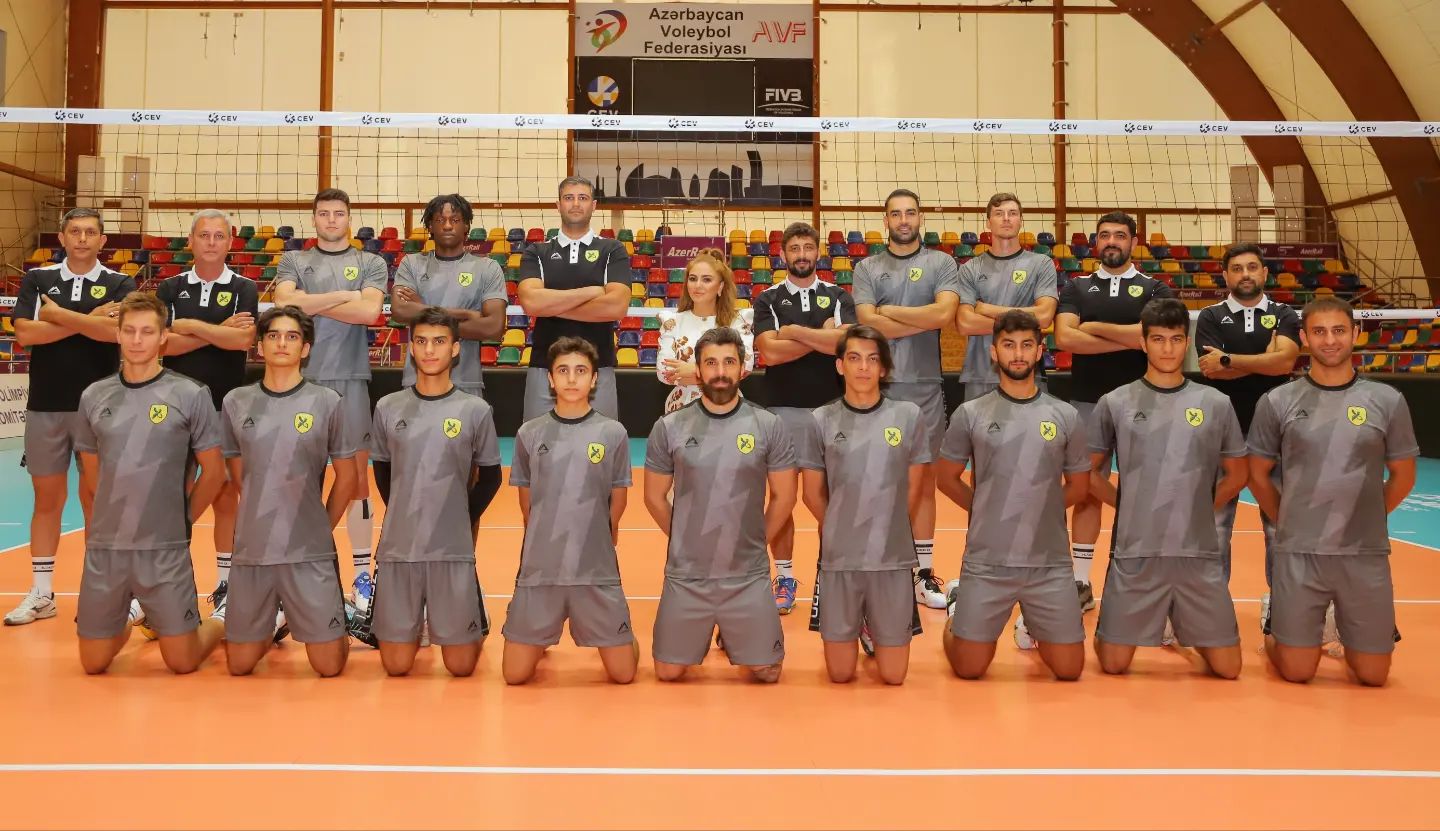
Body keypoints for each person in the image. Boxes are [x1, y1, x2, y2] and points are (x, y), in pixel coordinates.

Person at [1249, 296, 1417, 687]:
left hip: (1364, 553)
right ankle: (1273, 621)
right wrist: (1289, 520)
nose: (1329, 340)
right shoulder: (1277, 401)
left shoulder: (1387, 400)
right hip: (1299, 551)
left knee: (1373, 675)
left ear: (1356, 333)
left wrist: (1367, 516)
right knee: (1297, 671)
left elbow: (1403, 476)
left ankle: (1340, 627)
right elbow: (1256, 475)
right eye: (1319, 332)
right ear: (1304, 338)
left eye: (1339, 330)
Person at [1087, 298, 1248, 678]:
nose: (1167, 349)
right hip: (1136, 551)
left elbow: (1238, 474)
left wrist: (1200, 506)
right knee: (1113, 664)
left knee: (1229, 670)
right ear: (1143, 343)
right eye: (1158, 339)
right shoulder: (1116, 402)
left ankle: (1183, 625)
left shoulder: (1215, 402)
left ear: (1187, 342)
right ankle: (1117, 626)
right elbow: (1087, 472)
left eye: (1176, 339)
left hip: (1197, 553)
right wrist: (1127, 505)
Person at [72, 292, 226, 674]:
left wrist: (183, 520)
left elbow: (215, 472)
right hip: (108, 548)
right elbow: (91, 475)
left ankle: (224, 617)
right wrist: (106, 526)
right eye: (129, 331)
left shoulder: (190, 394)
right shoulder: (94, 396)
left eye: (147, 331)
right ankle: (136, 614)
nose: (137, 340)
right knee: (93, 663)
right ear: (117, 335)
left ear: (163, 338)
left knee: (182, 661)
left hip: (165, 548)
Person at [936, 311, 1089, 680]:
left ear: (1039, 352)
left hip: (1048, 563)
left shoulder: (1065, 415)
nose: (1017, 354)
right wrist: (988, 509)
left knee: (1069, 670)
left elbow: (1080, 486)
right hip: (988, 559)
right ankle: (959, 612)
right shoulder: (971, 413)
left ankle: (1033, 624)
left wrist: (1036, 511)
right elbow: (946, 478)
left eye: (1026, 345)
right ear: (994, 352)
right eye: (1008, 345)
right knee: (969, 668)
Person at [645, 327, 796, 683]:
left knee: (767, 672)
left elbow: (785, 496)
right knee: (668, 672)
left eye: (729, 362)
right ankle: (725, 629)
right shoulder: (669, 426)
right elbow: (653, 497)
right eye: (711, 363)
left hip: (747, 573)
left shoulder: (769, 425)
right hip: (688, 574)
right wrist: (684, 537)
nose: (720, 372)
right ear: (697, 370)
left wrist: (756, 541)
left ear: (743, 368)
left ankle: (735, 629)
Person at [6, 207, 134, 626]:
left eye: (90, 232)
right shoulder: (39, 279)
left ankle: (100, 594)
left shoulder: (119, 283)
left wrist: (58, 316)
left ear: (102, 240)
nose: (82, 238)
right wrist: (89, 320)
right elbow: (25, 334)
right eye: (74, 231)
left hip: (102, 408)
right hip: (46, 405)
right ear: (61, 237)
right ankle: (42, 593)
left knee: (97, 499)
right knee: (47, 499)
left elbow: (115, 333)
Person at [216, 306, 358, 677]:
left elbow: (347, 477)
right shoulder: (235, 402)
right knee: (239, 665)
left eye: (292, 336)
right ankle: (271, 618)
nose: (282, 343)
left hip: (309, 551)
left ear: (305, 348)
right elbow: (239, 476)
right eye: (273, 336)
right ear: (260, 346)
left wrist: (320, 528)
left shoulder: (327, 402)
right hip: (254, 549)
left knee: (329, 667)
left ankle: (333, 614)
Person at [368, 308, 502, 677]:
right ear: (411, 347)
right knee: (396, 666)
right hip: (400, 549)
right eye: (422, 341)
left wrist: (458, 516)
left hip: (452, 550)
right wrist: (405, 510)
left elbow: (491, 477)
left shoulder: (475, 410)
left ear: (455, 348)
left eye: (439, 342)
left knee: (460, 667)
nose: (429, 350)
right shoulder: (387, 407)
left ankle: (475, 613)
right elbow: (383, 471)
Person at [273, 188, 386, 614]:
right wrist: (346, 296)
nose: (332, 220)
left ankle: (361, 575)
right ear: (314, 218)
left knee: (355, 481)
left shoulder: (370, 262)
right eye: (324, 213)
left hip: (351, 379)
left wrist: (311, 304)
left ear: (349, 218)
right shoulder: (294, 260)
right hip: (301, 383)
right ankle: (296, 566)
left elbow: (370, 314)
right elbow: (285, 302)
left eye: (339, 213)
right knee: (297, 479)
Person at [1054, 211, 1174, 612]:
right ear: (1095, 242)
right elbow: (1064, 337)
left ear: (1133, 242)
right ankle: (1080, 581)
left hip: (1145, 403)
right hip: (1087, 401)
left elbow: (1155, 337)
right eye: (1104, 235)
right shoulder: (1077, 286)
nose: (1111, 241)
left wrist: (1092, 327)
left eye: (1119, 235)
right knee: (1086, 488)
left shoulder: (1155, 287)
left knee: (1152, 490)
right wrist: (1132, 338)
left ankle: (1147, 582)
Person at [799, 325, 928, 685]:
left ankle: (874, 622)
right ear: (840, 365)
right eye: (854, 358)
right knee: (840, 674)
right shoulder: (820, 420)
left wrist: (887, 529)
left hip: (892, 558)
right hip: (840, 559)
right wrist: (841, 528)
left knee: (894, 676)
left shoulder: (909, 416)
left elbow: (914, 490)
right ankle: (859, 621)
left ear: (883, 368)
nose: (863, 367)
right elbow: (811, 493)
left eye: (872, 359)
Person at [503, 337, 636, 685]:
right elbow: (527, 505)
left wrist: (600, 541)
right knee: (514, 675)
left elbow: (618, 499)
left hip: (595, 568)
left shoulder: (613, 433)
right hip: (542, 568)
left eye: (581, 371)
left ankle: (621, 627)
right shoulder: (530, 433)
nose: (572, 379)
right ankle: (533, 628)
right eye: (563, 371)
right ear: (550, 378)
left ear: (594, 378)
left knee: (624, 674)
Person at [853, 188, 961, 611]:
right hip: (876, 389)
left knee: (923, 484)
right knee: (874, 482)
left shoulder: (941, 263)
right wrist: (918, 318)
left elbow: (944, 316)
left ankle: (922, 574)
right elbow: (866, 323)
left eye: (910, 213)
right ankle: (879, 570)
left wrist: (887, 312)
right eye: (895, 214)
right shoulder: (867, 267)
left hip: (924, 388)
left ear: (920, 218)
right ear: (886, 221)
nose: (903, 220)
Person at [751, 221, 856, 614]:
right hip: (782, 409)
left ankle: (835, 573)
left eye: (807, 247)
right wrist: (821, 336)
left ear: (818, 251)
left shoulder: (838, 295)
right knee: (783, 498)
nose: (801, 254)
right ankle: (784, 576)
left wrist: (793, 332)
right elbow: (770, 353)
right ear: (783, 254)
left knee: (823, 497)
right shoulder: (768, 299)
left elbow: (845, 344)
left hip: (832, 411)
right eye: (794, 248)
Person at [156, 209, 259, 604]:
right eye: (204, 235)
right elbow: (165, 345)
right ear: (191, 241)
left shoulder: (244, 288)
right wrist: (218, 332)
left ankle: (226, 583)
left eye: (219, 236)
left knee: (226, 494)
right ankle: (172, 578)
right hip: (175, 405)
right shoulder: (170, 287)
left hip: (224, 404)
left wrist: (189, 326)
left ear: (230, 242)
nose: (212, 242)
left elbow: (242, 341)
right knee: (175, 492)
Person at [1193, 242, 1301, 583]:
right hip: (1223, 431)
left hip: (1276, 432)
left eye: (1252, 267)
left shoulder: (1285, 314)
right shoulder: (1211, 316)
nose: (1245, 274)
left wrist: (1229, 359)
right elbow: (1211, 370)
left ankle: (1282, 603)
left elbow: (1285, 363)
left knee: (1278, 523)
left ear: (1265, 273)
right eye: (1237, 269)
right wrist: (1265, 362)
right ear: (1225, 276)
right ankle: (1211, 603)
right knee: (1216, 524)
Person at [517, 176, 632, 422]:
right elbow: (531, 303)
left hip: (599, 367)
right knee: (537, 440)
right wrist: (591, 292)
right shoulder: (536, 251)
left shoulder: (612, 250)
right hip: (544, 366)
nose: (576, 203)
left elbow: (617, 306)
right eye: (569, 198)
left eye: (583, 198)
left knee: (601, 442)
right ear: (558, 205)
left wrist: (550, 305)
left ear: (594, 205)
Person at [390, 193, 507, 396]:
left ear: (466, 225)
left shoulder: (488, 268)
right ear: (430, 226)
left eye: (455, 220)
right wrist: (464, 314)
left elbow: (494, 328)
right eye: (439, 220)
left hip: (466, 382)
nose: (447, 226)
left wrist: (423, 311)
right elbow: (400, 311)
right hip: (417, 381)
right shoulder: (411, 264)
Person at [956, 193, 1060, 400]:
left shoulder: (1041, 264)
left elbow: (1044, 317)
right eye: (999, 213)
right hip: (980, 374)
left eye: (1012, 213)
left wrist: (986, 309)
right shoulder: (970, 269)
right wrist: (1025, 322)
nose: (1006, 218)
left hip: (1027, 373)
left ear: (1020, 220)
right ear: (988, 222)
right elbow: (965, 323)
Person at [656, 249, 754, 414]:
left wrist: (691, 371)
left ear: (720, 286)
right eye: (693, 279)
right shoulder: (672, 321)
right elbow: (663, 372)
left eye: (706, 279)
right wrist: (717, 372)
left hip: (728, 408)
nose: (697, 285)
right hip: (681, 409)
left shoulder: (738, 321)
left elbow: (744, 367)